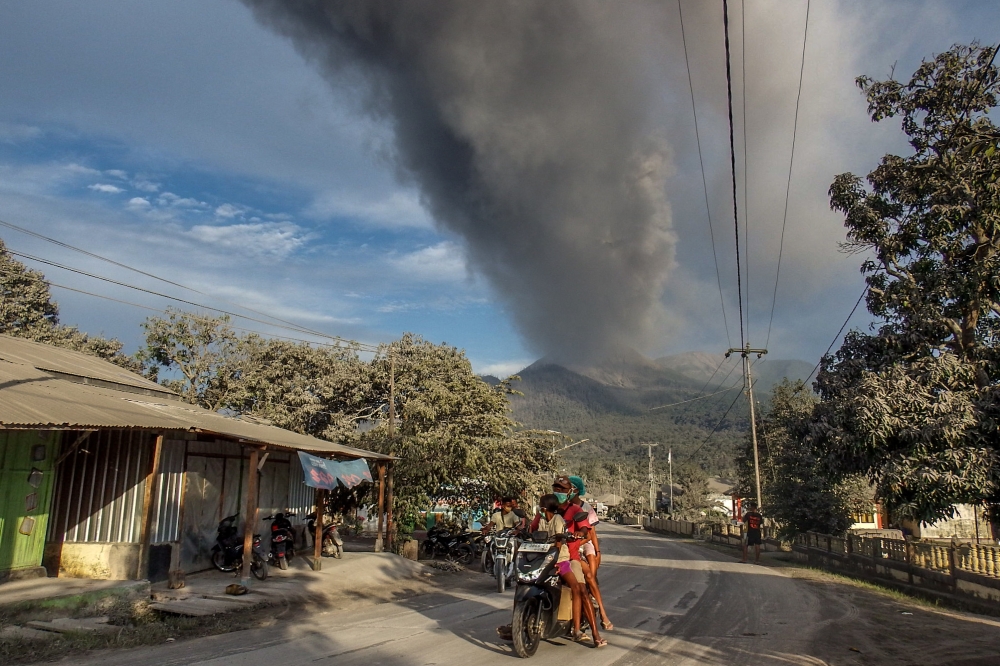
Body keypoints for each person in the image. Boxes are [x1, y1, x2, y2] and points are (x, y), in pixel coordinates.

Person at [566, 476, 612, 631]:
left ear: (576, 490)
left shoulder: (585, 508)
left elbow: (591, 534)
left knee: (590, 573)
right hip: (568, 543)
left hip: (584, 542)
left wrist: (597, 551)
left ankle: (602, 612)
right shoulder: (560, 507)